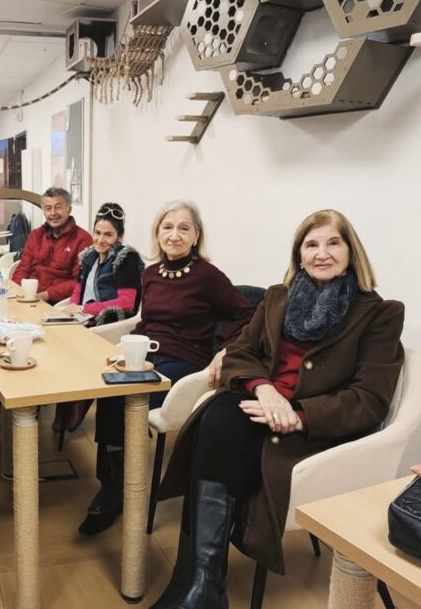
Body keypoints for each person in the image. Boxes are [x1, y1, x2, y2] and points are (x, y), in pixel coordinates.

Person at [151, 209, 404, 609]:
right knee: (218, 417)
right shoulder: (277, 298)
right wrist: (265, 389)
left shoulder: (379, 313)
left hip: (314, 433)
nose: (322, 253)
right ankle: (201, 583)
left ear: (351, 251)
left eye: (333, 242)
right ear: (298, 255)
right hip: (259, 408)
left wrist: (298, 414)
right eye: (311, 244)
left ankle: (201, 586)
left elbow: (369, 400)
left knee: (218, 425)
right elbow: (241, 353)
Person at [80, 200, 255, 536]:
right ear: (157, 233)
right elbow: (145, 322)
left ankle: (119, 488)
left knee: (123, 390)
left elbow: (247, 314)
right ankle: (113, 484)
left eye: (183, 228)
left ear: (196, 235)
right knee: (107, 384)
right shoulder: (150, 273)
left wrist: (226, 352)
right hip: (146, 353)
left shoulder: (208, 276)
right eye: (167, 227)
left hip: (184, 363)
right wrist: (125, 346)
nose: (174, 235)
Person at [54, 202, 144, 433]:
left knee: (69, 346)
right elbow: (78, 290)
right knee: (52, 339)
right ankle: (63, 400)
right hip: (84, 318)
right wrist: (70, 308)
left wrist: (85, 309)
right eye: (97, 232)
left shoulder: (126, 259)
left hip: (110, 322)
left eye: (108, 235)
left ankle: (78, 400)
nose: (101, 239)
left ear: (120, 236)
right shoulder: (89, 257)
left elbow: (127, 303)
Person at [11, 186, 92, 304]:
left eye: (58, 207)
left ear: (69, 209)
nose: (53, 213)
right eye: (48, 209)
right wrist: (16, 291)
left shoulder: (83, 239)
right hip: (30, 297)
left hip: (59, 302)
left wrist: (47, 295)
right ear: (44, 211)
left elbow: (79, 281)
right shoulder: (36, 235)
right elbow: (23, 268)